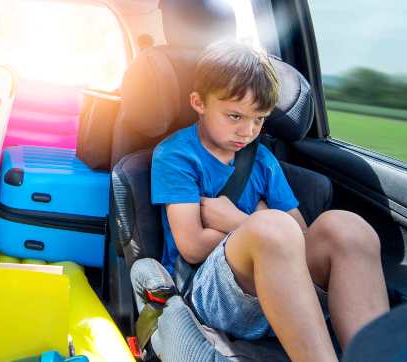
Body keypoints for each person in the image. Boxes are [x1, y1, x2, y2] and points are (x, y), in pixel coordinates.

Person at [150, 40, 388, 361]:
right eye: (234, 116)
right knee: (272, 228)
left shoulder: (260, 159)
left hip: (279, 287)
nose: (247, 131)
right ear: (199, 102)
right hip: (210, 291)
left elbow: (300, 234)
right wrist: (258, 226)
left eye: (258, 119)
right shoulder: (177, 156)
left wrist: (237, 221)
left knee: (347, 227)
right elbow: (192, 245)